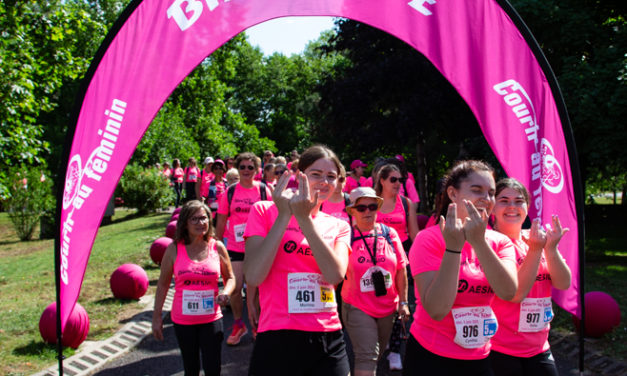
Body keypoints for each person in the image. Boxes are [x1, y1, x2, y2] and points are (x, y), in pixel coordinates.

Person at [244, 145, 351, 376]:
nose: (324, 181)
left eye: (331, 176)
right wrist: (285, 215)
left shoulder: (340, 225)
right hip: (277, 333)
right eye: (316, 174)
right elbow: (253, 275)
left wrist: (304, 219)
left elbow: (334, 276)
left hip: (327, 335)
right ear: (299, 175)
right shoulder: (265, 211)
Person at [403, 160, 518, 376]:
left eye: (491, 193)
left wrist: (479, 243)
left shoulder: (500, 242)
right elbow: (437, 310)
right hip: (431, 356)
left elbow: (509, 292)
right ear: (453, 194)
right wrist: (454, 250)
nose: (486, 198)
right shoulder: (428, 239)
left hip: (480, 356)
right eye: (477, 190)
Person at [489, 178, 571, 376]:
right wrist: (536, 249)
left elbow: (563, 283)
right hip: (499, 348)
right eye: (504, 200)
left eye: (518, 201)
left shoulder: (536, 239)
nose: (512, 207)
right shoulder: (489, 243)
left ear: (527, 206)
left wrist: (550, 248)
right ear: (492, 207)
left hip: (539, 347)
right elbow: (515, 293)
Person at [152, 200, 235, 376]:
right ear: (185, 223)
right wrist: (156, 316)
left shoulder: (217, 247)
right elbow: (163, 284)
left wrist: (225, 293)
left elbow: (231, 278)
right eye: (195, 219)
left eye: (204, 218)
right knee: (191, 368)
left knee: (213, 368)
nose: (201, 223)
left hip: (211, 318)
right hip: (183, 321)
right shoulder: (174, 249)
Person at [341, 187, 410, 376]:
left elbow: (401, 269)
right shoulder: (346, 237)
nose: (368, 212)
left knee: (375, 353)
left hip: (388, 307)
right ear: (352, 211)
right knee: (367, 355)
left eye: (372, 207)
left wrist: (403, 302)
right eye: (361, 208)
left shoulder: (390, 234)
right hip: (357, 306)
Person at [215, 152, 271, 346]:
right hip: (235, 246)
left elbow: (273, 219)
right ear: (237, 169)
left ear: (257, 170)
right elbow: (221, 220)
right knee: (236, 287)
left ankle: (257, 324)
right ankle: (239, 324)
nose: (246, 170)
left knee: (257, 289)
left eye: (250, 167)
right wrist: (216, 246)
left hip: (258, 246)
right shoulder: (230, 192)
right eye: (243, 167)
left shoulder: (265, 190)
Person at [375, 163, 419, 370]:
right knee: (376, 301)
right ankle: (377, 342)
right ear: (382, 181)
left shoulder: (405, 202)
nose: (398, 183)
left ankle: (394, 350)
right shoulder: (372, 202)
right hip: (375, 258)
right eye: (393, 179)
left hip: (400, 259)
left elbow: (415, 234)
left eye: (401, 180)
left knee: (399, 303)